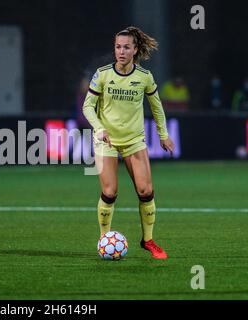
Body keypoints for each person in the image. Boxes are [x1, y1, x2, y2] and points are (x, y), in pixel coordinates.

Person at [82, 26, 174, 259]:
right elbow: (87, 107)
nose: (121, 51)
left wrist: (163, 134)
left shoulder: (144, 77)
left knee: (146, 190)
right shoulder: (102, 74)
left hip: (134, 140)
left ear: (135, 50)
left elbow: (157, 107)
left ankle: (148, 240)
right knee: (110, 192)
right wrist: (99, 128)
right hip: (107, 141)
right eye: (117, 46)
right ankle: (105, 238)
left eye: (126, 47)